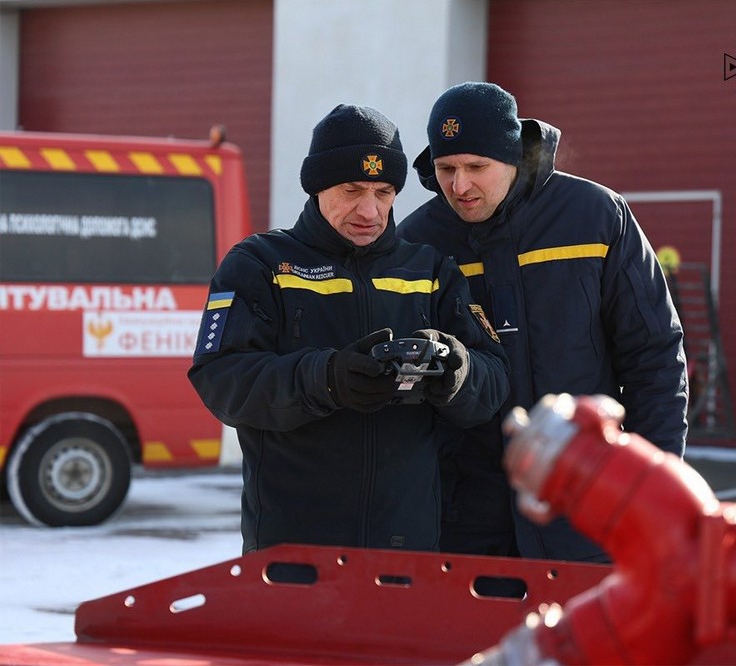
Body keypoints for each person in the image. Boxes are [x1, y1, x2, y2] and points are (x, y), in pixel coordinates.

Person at [188, 104, 509, 555]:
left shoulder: (431, 270)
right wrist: (328, 379)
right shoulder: (260, 264)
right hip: (292, 547)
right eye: (351, 189)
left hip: (407, 545)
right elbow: (220, 379)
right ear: (318, 187)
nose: (369, 210)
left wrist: (455, 369)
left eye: (383, 192)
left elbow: (494, 382)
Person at [398, 82, 688, 563]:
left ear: (513, 156)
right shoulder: (418, 244)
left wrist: (650, 484)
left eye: (476, 167)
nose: (459, 185)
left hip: (586, 498)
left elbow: (654, 357)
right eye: (445, 169)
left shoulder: (596, 217)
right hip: (465, 516)